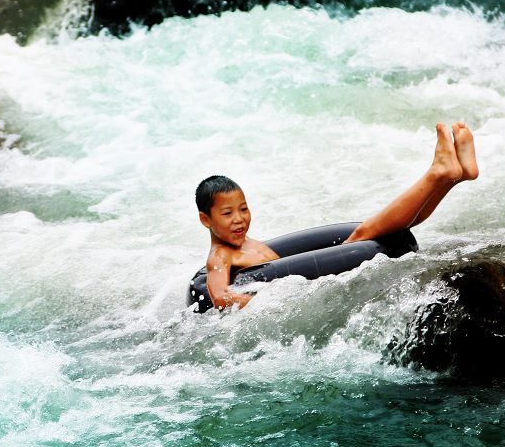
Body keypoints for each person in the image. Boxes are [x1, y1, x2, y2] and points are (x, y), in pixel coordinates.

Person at [196, 122, 479, 311]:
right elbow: (220, 297)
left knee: (387, 231)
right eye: (227, 213)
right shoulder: (220, 256)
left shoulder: (241, 243)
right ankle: (437, 175)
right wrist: (269, 304)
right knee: (363, 235)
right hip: (283, 289)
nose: (239, 219)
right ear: (206, 220)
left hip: (284, 276)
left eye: (243, 209)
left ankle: (450, 177)